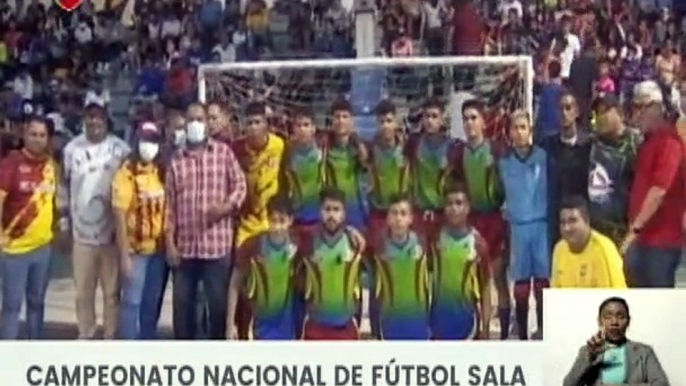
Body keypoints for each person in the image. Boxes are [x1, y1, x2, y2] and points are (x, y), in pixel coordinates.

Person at [165, 103, 247, 340]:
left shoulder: (223, 153)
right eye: (191, 120)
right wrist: (170, 243)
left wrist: (225, 207)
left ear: (208, 124)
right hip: (186, 249)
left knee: (218, 309)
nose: (195, 125)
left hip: (216, 248)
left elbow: (240, 186)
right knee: (182, 311)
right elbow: (169, 207)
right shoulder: (176, 160)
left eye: (200, 119)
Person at [62, 103, 130, 340]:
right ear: (84, 119)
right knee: (83, 292)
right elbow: (64, 187)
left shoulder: (121, 149)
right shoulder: (71, 149)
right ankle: (86, 333)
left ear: (106, 119)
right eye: (89, 117)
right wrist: (64, 226)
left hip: (111, 235)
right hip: (81, 235)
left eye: (98, 117)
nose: (94, 121)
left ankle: (110, 336)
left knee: (112, 292)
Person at [232, 101, 286, 339]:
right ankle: (241, 332)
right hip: (247, 225)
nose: (253, 127)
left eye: (258, 122)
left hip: (272, 223)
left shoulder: (280, 145)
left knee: (273, 282)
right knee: (242, 281)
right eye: (250, 123)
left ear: (266, 125)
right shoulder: (236, 149)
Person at [0, 116, 57, 339]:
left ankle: (35, 352)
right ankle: (7, 359)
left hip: (43, 248)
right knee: (12, 307)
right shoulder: (11, 164)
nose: (37, 139)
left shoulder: (51, 166)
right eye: (33, 134)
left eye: (42, 135)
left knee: (37, 303)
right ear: (24, 135)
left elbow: (54, 203)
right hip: (15, 250)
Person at [626, 80, 686, 288]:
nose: (638, 113)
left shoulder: (669, 143)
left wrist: (634, 230)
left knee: (658, 308)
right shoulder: (648, 142)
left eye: (642, 107)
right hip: (646, 240)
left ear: (657, 108)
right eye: (635, 107)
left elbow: (659, 191)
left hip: (661, 242)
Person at [451, 99, 503, 339]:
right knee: (475, 277)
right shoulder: (459, 152)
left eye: (474, 117)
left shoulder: (496, 149)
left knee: (498, 276)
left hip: (495, 218)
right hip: (472, 222)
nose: (470, 123)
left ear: (484, 121)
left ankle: (498, 332)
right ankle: (477, 329)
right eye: (466, 118)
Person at [113, 122, 167, 339]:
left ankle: (147, 344)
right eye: (145, 140)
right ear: (136, 142)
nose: (149, 146)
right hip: (135, 251)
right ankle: (128, 351)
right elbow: (119, 215)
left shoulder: (160, 171)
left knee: (150, 304)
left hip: (157, 251)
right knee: (131, 302)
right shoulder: (125, 173)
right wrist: (124, 254)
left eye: (153, 141)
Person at [498, 110, 549, 340]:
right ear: (509, 132)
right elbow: (498, 193)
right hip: (518, 228)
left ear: (530, 131)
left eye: (523, 127)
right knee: (520, 285)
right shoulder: (503, 162)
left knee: (542, 283)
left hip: (541, 225)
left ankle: (543, 330)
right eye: (514, 128)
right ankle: (522, 333)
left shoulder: (543, 156)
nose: (519, 132)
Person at [226, 195, 299, 340]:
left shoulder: (297, 243)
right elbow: (235, 283)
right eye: (273, 220)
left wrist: (354, 234)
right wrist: (229, 324)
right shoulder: (253, 245)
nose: (277, 227)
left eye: (282, 221)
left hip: (288, 332)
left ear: (291, 220)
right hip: (258, 330)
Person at [299, 187, 365, 340]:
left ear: (344, 214)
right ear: (319, 211)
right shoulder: (310, 242)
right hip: (316, 326)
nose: (331, 214)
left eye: (336, 210)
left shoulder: (353, 242)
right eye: (327, 209)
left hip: (345, 326)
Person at [563, 297, 670, 386]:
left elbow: (662, 384)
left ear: (628, 321)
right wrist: (589, 357)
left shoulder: (644, 352)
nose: (614, 322)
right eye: (608, 317)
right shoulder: (587, 351)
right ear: (599, 321)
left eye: (620, 317)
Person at [430, 185, 489, 340]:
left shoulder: (478, 243)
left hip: (468, 325)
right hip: (437, 324)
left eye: (459, 203)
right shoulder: (435, 238)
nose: (454, 208)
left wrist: (486, 328)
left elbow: (485, 288)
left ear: (467, 207)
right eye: (449, 203)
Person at [370, 194, 429, 340]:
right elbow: (375, 290)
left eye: (403, 213)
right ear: (388, 218)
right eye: (394, 213)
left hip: (418, 323)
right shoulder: (379, 247)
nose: (398, 219)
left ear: (411, 218)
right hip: (389, 324)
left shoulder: (423, 243)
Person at [588, 94, 642, 247]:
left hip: (625, 232)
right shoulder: (591, 143)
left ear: (619, 112)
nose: (600, 117)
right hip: (595, 231)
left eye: (604, 111)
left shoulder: (636, 143)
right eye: (597, 113)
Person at [539, 92, 591, 246]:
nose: (564, 113)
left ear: (576, 111)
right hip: (556, 219)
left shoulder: (589, 145)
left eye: (568, 108)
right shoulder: (546, 146)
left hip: (581, 216)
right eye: (560, 108)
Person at [551, 196, 627, 288]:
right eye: (563, 222)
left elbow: (612, 297)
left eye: (572, 221)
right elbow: (555, 295)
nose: (567, 228)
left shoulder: (603, 249)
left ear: (586, 221)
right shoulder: (559, 249)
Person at [408, 97, 452, 255]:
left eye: (434, 116)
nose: (430, 121)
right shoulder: (413, 143)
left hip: (443, 215)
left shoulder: (453, 146)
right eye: (427, 116)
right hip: (419, 214)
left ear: (442, 119)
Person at [323, 99, 367, 231]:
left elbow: (367, 167)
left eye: (345, 117)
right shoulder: (324, 148)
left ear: (352, 121)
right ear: (331, 120)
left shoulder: (360, 148)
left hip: (355, 208)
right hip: (332, 209)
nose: (341, 121)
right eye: (337, 117)